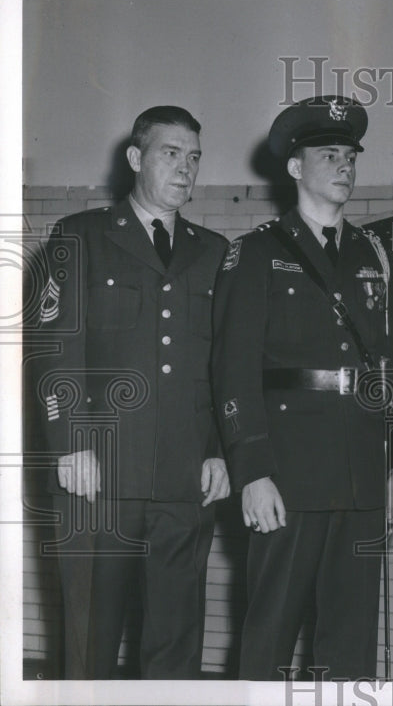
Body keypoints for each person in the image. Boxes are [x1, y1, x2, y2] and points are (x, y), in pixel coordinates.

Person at [211, 95, 393, 680]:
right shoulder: (254, 255)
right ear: (296, 167)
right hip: (288, 475)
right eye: (329, 155)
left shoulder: (372, 253)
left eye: (350, 156)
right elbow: (233, 371)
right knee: (270, 631)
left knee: (350, 642)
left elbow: (392, 365)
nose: (344, 167)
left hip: (359, 475)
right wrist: (251, 472)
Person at [32, 105, 230, 678]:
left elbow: (220, 365)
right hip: (99, 474)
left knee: (176, 646)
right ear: (136, 158)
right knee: (90, 641)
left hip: (182, 478)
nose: (185, 168)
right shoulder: (80, 236)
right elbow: (52, 351)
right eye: (171, 153)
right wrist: (70, 444)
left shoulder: (214, 251)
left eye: (194, 157)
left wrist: (219, 447)